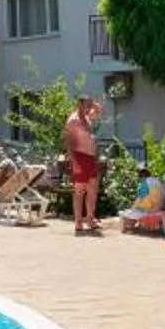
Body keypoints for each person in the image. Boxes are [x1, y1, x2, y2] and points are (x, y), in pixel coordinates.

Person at [65, 97, 103, 237]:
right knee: (79, 191)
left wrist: (95, 105)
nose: (88, 108)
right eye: (86, 105)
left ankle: (90, 219)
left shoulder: (87, 117)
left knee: (92, 190)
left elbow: (99, 112)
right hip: (79, 156)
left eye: (89, 105)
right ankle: (78, 222)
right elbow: (68, 141)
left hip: (91, 157)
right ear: (79, 104)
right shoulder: (73, 120)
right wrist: (73, 161)